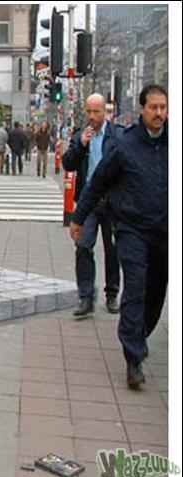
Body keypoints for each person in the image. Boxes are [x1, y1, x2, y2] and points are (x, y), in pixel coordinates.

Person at [69, 85, 168, 389]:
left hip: (164, 232)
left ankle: (139, 334)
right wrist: (78, 217)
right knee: (135, 288)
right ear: (142, 109)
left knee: (156, 292)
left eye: (163, 107)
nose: (159, 113)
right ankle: (133, 357)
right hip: (131, 228)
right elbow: (97, 183)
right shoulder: (125, 146)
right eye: (153, 107)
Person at [63, 93, 121, 318]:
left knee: (112, 249)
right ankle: (86, 296)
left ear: (105, 112)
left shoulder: (116, 135)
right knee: (83, 245)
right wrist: (81, 146)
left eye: (96, 111)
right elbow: (68, 163)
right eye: (89, 111)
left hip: (112, 201)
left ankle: (112, 294)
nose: (92, 116)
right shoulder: (80, 136)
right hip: (88, 202)